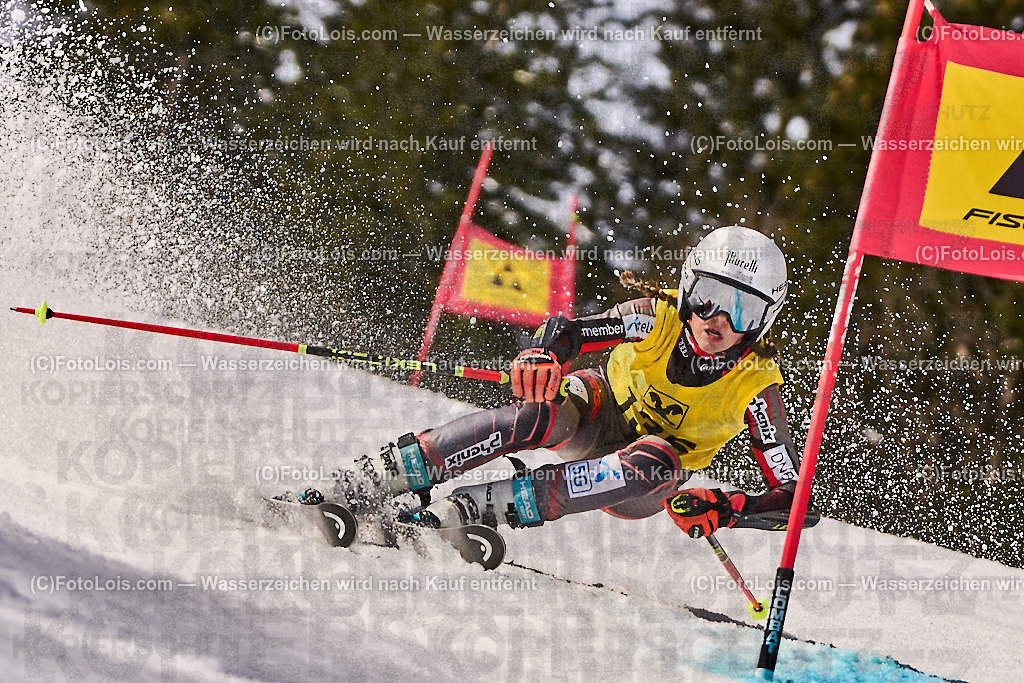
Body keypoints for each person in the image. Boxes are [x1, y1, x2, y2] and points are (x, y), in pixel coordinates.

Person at [326, 225, 810, 539]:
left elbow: (796, 501)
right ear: (687, 288)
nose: (718, 319)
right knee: (542, 410)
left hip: (643, 481)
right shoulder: (656, 317)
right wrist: (542, 354)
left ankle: (477, 509)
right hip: (597, 415)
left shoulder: (755, 385)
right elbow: (573, 331)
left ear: (765, 321)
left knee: (657, 457)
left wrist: (728, 507)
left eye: (743, 309)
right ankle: (384, 474)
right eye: (708, 296)